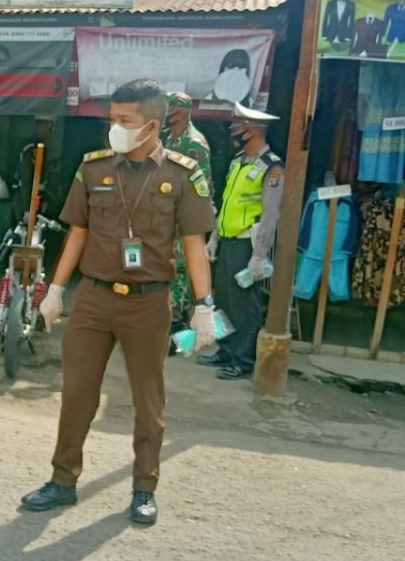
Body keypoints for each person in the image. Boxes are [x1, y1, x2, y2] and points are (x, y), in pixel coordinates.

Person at [20, 79, 216, 526]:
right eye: (112, 119)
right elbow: (78, 234)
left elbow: (193, 245)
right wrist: (54, 290)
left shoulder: (182, 175)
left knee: (148, 401)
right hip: (92, 298)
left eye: (123, 121)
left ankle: (144, 487)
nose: (114, 128)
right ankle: (62, 480)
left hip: (148, 304)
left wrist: (204, 304)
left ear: (150, 126)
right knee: (76, 395)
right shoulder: (93, 170)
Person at [198, 102, 283, 380]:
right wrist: (214, 238)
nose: (232, 132)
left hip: (248, 244)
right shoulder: (238, 162)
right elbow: (227, 204)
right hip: (227, 241)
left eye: (238, 127)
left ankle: (243, 359)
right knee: (223, 300)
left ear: (252, 132)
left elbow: (270, 215)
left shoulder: (272, 168)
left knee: (245, 306)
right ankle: (225, 348)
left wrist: (260, 254)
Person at [162, 92, 213, 341]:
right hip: (165, 219)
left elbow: (204, 187)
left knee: (181, 272)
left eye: (168, 110)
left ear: (179, 112)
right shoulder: (169, 139)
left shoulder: (194, 143)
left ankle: (179, 331)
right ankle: (167, 325)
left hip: (185, 220)